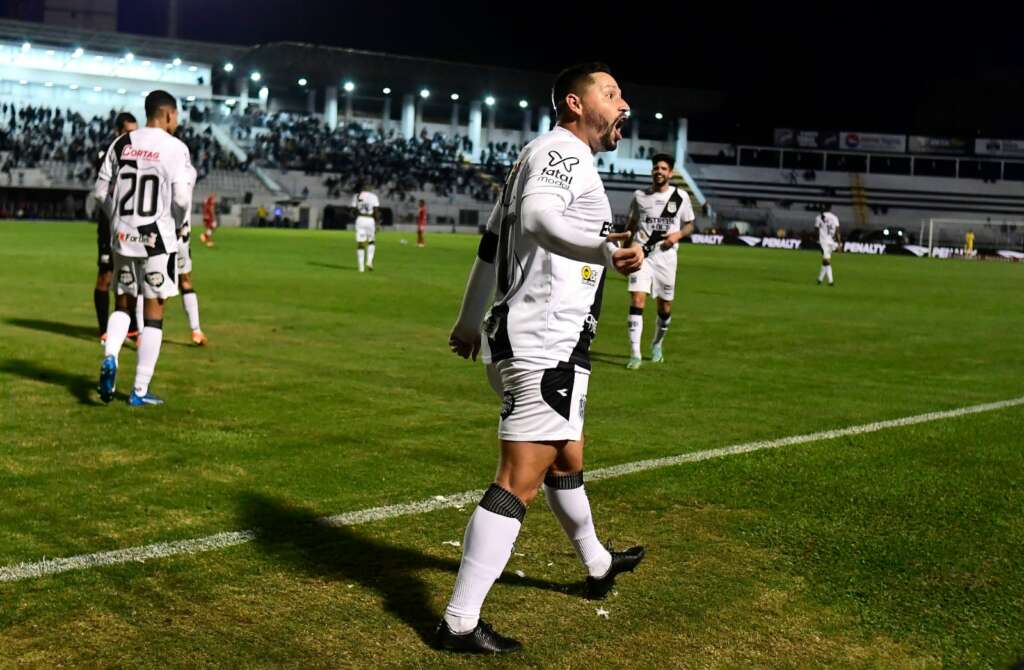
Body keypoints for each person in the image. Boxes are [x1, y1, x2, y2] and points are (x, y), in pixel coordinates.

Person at [440, 62, 645, 654]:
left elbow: (489, 245)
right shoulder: (564, 152)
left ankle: (597, 563)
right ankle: (457, 621)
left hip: (537, 337)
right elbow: (535, 220)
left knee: (566, 457)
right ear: (576, 105)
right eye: (610, 92)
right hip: (543, 342)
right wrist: (605, 250)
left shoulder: (533, 160)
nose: (622, 103)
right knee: (517, 481)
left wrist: (465, 319)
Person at [94, 90, 193, 406]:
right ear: (166, 114)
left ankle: (111, 355)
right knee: (154, 312)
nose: (176, 122)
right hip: (157, 239)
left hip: (123, 236)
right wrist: (174, 225)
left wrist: (117, 218)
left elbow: (99, 193)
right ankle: (138, 391)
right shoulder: (175, 148)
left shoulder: (122, 143)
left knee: (122, 304)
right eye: (175, 116)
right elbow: (180, 200)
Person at [624, 153, 695, 369]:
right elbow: (631, 225)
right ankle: (635, 354)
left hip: (666, 258)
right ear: (652, 171)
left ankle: (657, 344)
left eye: (664, 168)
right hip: (641, 254)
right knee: (637, 300)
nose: (659, 171)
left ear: (670, 173)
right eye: (656, 168)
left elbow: (690, 224)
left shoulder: (680, 197)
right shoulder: (639, 196)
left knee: (664, 307)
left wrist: (677, 235)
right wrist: (625, 253)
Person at [93, 112, 139, 345]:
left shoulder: (140, 154)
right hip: (109, 222)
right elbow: (102, 191)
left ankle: (132, 328)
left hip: (132, 222)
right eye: (128, 132)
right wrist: (114, 214)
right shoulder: (109, 153)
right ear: (117, 132)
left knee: (134, 275)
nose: (133, 137)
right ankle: (104, 330)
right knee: (106, 274)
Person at [176, 164, 208, 346]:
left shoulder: (160, 161)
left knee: (149, 285)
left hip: (162, 232)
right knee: (185, 280)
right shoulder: (190, 171)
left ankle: (142, 332)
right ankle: (196, 330)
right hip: (182, 235)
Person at [352, 183, 380, 272]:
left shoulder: (357, 196)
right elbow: (376, 211)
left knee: (360, 243)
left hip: (360, 219)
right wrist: (378, 223)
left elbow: (353, 210)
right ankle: (369, 261)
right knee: (371, 241)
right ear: (369, 188)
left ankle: (361, 268)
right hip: (370, 219)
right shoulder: (373, 196)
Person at [815, 204, 841, 286]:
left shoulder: (819, 217)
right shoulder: (835, 217)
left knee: (826, 261)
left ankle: (831, 281)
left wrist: (817, 240)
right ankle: (819, 279)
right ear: (830, 209)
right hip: (832, 242)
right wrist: (839, 244)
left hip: (824, 242)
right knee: (825, 260)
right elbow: (838, 232)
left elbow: (816, 230)